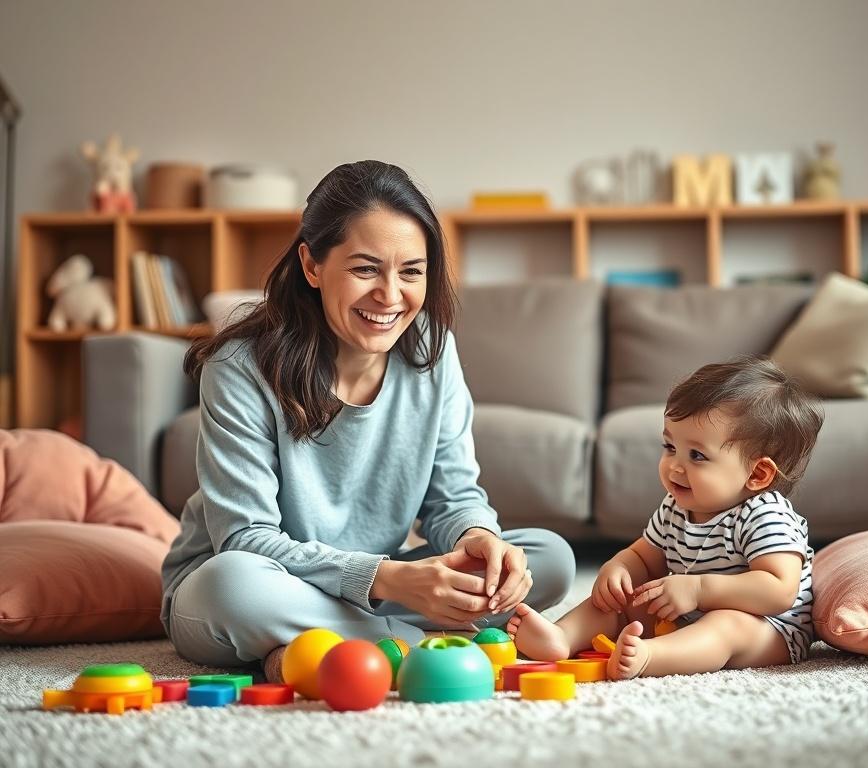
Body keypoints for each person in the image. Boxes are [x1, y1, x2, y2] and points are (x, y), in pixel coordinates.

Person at [161, 160, 575, 680]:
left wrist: (480, 540)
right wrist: (391, 580)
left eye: (411, 271)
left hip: (375, 586)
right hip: (257, 584)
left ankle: (318, 643)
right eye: (364, 269)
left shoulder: (433, 350)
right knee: (233, 587)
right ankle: (409, 642)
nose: (390, 295)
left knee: (548, 558)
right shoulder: (239, 367)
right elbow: (245, 539)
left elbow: (454, 498)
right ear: (312, 265)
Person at [508, 355, 823, 680]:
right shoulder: (676, 506)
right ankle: (561, 637)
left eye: (697, 456)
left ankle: (652, 657)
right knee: (623, 599)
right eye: (670, 446)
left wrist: (699, 589)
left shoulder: (765, 514)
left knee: (727, 625)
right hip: (688, 614)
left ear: (757, 474)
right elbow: (645, 558)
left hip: (767, 629)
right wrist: (618, 569)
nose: (674, 465)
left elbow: (778, 590)